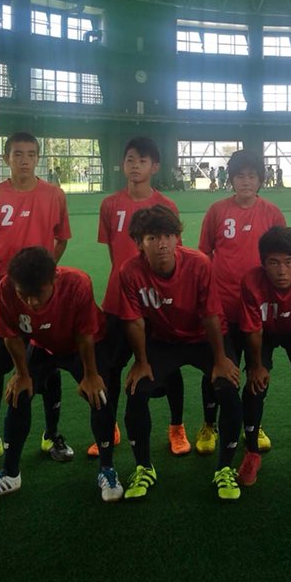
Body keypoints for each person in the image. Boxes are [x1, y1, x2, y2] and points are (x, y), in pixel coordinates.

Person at [119, 205, 242, 501]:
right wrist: (141, 362)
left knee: (227, 388)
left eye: (167, 236)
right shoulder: (130, 271)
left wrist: (220, 359)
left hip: (204, 338)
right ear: (139, 243)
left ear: (177, 238)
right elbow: (134, 321)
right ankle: (143, 467)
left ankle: (225, 468)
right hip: (165, 341)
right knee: (137, 391)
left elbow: (211, 315)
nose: (162, 244)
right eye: (152, 238)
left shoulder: (198, 264)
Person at [0, 247, 122, 503]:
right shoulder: (7, 287)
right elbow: (11, 335)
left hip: (82, 345)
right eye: (24, 295)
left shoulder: (77, 283)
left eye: (38, 294)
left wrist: (91, 375)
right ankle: (10, 474)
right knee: (18, 395)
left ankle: (107, 469)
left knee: (99, 395)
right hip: (42, 344)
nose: (31, 302)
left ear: (54, 279)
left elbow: (85, 335)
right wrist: (22, 374)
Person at [97, 136, 187, 458]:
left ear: (155, 167)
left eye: (142, 161)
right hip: (117, 299)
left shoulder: (166, 205)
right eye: (130, 160)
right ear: (122, 164)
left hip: (156, 302)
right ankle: (109, 427)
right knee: (110, 367)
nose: (135, 166)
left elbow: (172, 254)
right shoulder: (110, 205)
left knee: (169, 366)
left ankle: (177, 427)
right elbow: (114, 252)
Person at [0, 132, 73, 464]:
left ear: (38, 158)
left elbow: (61, 238)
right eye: (18, 154)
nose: (24, 160)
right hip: (1, 286)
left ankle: (51, 435)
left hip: (42, 289)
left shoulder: (54, 195)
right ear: (6, 158)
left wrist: (45, 272)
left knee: (48, 361)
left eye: (30, 154)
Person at [197, 149, 285, 453]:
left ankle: (254, 424)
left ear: (261, 179)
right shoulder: (217, 211)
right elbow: (204, 254)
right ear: (231, 179)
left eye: (252, 176)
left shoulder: (272, 213)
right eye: (239, 176)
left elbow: (281, 257)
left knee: (259, 369)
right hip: (222, 307)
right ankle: (209, 424)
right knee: (217, 368)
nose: (246, 181)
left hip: (259, 309)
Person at [237, 226, 291, 488]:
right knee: (255, 385)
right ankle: (252, 452)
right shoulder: (251, 281)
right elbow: (253, 330)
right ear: (263, 263)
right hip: (264, 333)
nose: (282, 270)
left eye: (289, 262)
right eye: (274, 263)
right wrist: (256, 366)